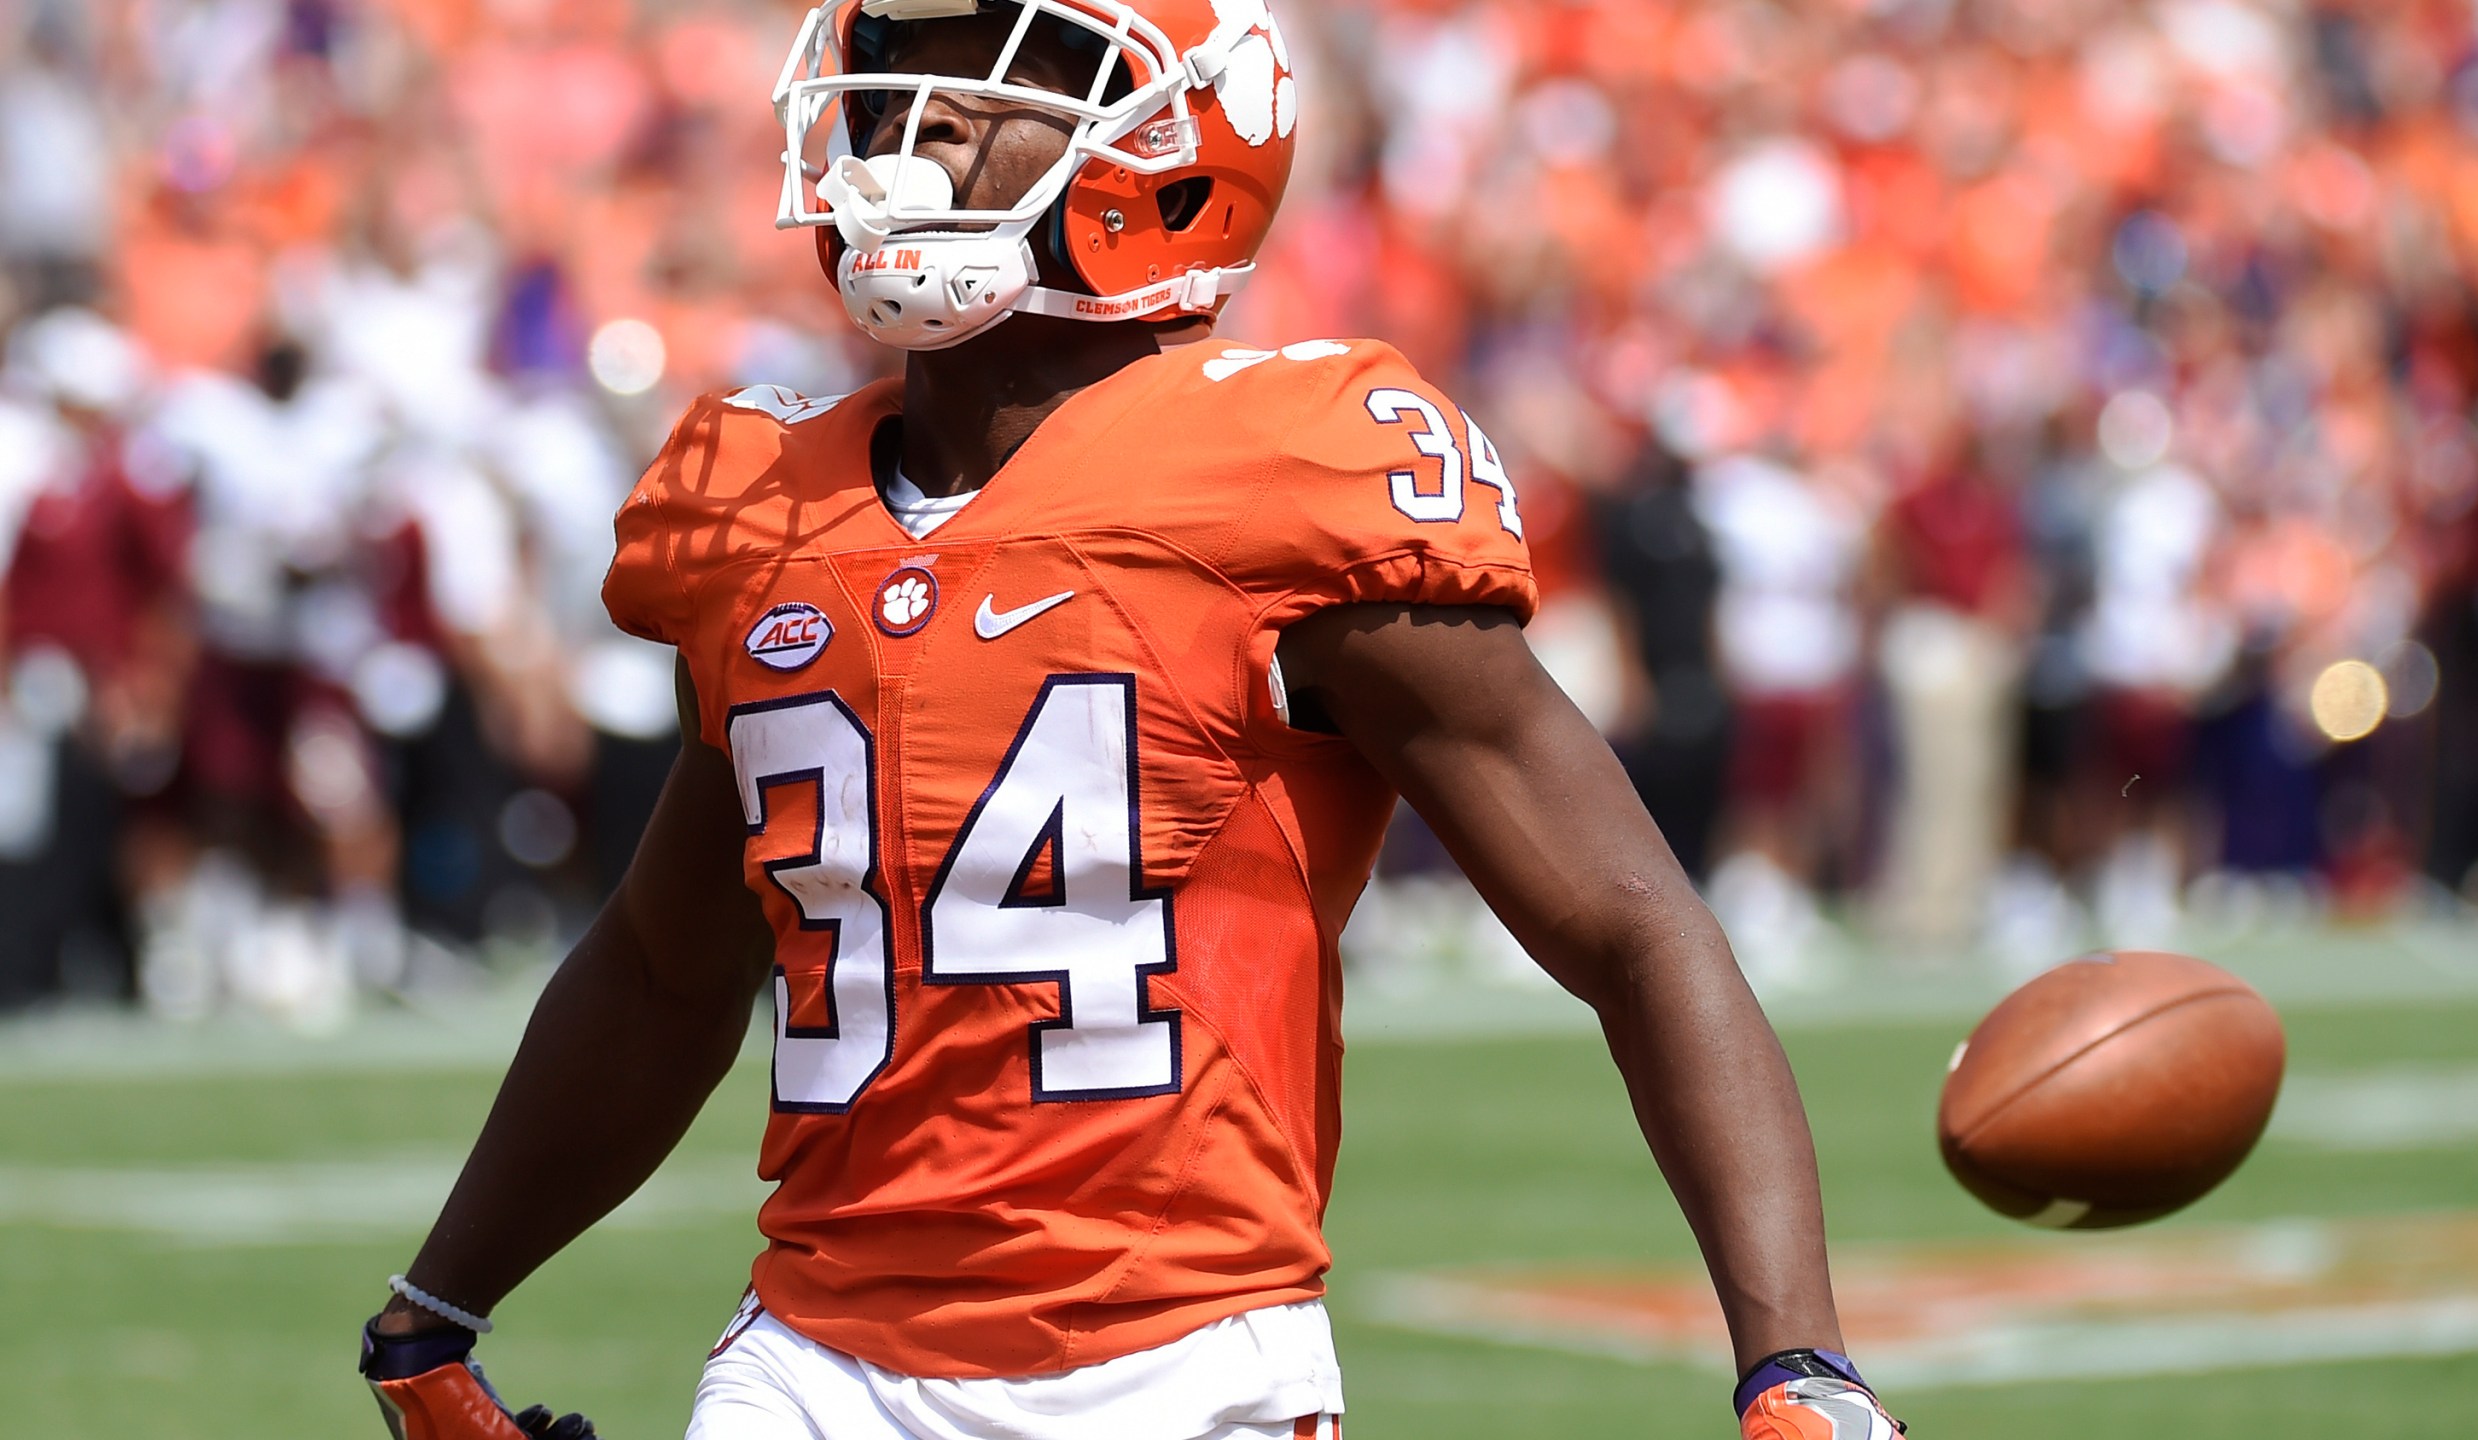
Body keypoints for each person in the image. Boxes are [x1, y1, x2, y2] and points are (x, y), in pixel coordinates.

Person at [358, 4, 1901, 1439]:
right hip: (811, 1364)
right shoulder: (765, 504)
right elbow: (663, 962)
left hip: (1177, 1360)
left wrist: (1797, 1360)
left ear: (1168, 161)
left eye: (1000, 78)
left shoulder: (1285, 476)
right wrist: (437, 1311)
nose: (922, 117)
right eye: (904, 69)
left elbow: (1634, 923)